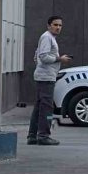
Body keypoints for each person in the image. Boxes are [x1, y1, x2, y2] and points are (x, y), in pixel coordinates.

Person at [28, 15, 72, 146]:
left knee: (39, 107)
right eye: (55, 25)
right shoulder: (47, 37)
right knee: (47, 107)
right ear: (49, 26)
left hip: (44, 76)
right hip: (46, 77)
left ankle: (32, 135)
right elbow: (43, 56)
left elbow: (37, 56)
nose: (58, 27)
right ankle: (43, 136)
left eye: (60, 25)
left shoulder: (48, 37)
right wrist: (60, 59)